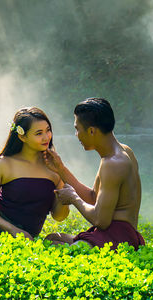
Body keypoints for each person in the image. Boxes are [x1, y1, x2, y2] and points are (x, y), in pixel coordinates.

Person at [44, 98, 145, 250]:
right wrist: (60, 169)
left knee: (58, 248)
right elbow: (93, 198)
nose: (76, 135)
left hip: (119, 239)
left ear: (91, 131)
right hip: (113, 234)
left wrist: (74, 199)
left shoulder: (114, 163)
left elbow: (100, 220)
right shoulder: (122, 151)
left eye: (77, 129)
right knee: (51, 238)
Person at [0, 107, 69, 240]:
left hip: (24, 239)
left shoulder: (54, 168)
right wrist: (12, 229)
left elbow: (59, 216)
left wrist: (63, 178)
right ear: (22, 136)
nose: (46, 137)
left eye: (48, 130)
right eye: (39, 133)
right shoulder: (4, 164)